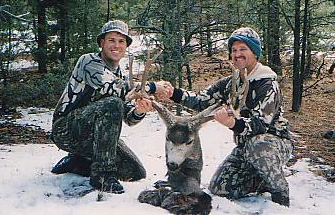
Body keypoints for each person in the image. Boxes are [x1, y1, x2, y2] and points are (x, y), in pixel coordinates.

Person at [165, 27, 293, 206]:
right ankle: (261, 178)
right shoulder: (230, 83)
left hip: (272, 143)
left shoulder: (267, 84)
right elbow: (201, 100)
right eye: (234, 50)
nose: (237, 54)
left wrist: (232, 123)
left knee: (259, 143)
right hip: (244, 147)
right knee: (220, 188)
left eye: (243, 49)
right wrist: (173, 93)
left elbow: (259, 126)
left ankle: (280, 192)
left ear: (255, 53)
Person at [50, 19, 172, 194]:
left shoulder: (120, 74)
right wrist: (152, 87)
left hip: (98, 137)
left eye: (121, 41)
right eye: (111, 40)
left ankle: (79, 162)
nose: (116, 45)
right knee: (113, 103)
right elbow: (112, 87)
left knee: (135, 171)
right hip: (66, 130)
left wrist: (139, 110)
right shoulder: (88, 61)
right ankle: (102, 176)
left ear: (126, 46)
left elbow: (128, 118)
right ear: (102, 43)